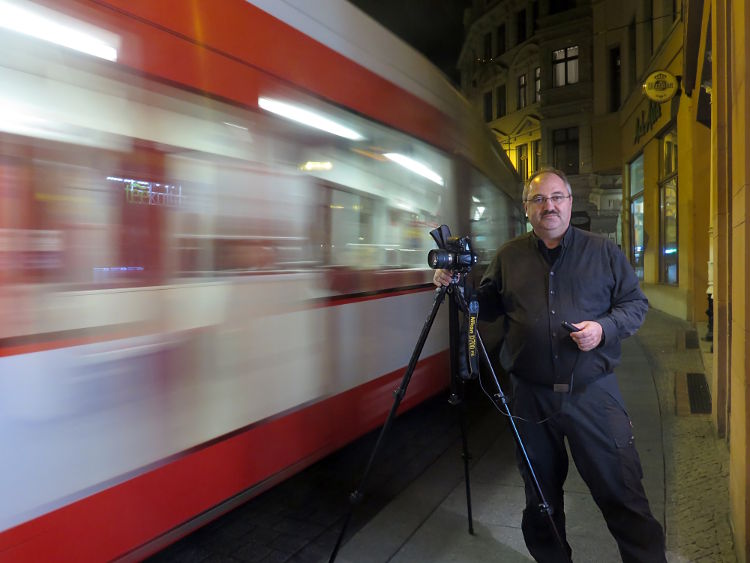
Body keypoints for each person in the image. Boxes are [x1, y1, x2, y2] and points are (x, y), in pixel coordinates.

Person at [434, 168, 666, 562]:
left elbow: (635, 305)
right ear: (527, 209)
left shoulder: (603, 252)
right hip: (530, 398)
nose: (549, 206)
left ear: (570, 203)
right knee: (540, 500)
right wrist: (458, 288)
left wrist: (603, 329)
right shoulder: (510, 256)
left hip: (593, 395)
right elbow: (487, 306)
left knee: (622, 493)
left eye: (557, 197)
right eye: (539, 200)